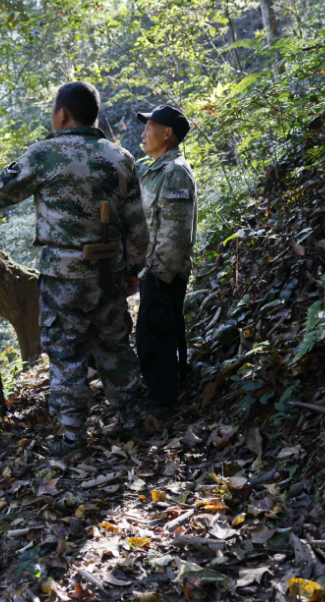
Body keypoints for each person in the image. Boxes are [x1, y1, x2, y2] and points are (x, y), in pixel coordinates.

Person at [0, 82, 150, 456]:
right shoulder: (121, 156)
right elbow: (136, 225)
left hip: (63, 277)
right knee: (115, 346)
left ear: (62, 114)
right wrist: (133, 270)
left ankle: (74, 438)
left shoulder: (45, 153)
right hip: (110, 273)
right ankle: (133, 421)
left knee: (66, 355)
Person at [135, 104, 196, 417]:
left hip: (163, 274)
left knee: (154, 339)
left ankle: (162, 409)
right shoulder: (158, 169)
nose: (143, 133)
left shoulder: (174, 172)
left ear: (167, 133)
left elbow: (174, 232)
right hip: (156, 272)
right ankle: (171, 393)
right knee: (162, 334)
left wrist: (156, 274)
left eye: (150, 127)